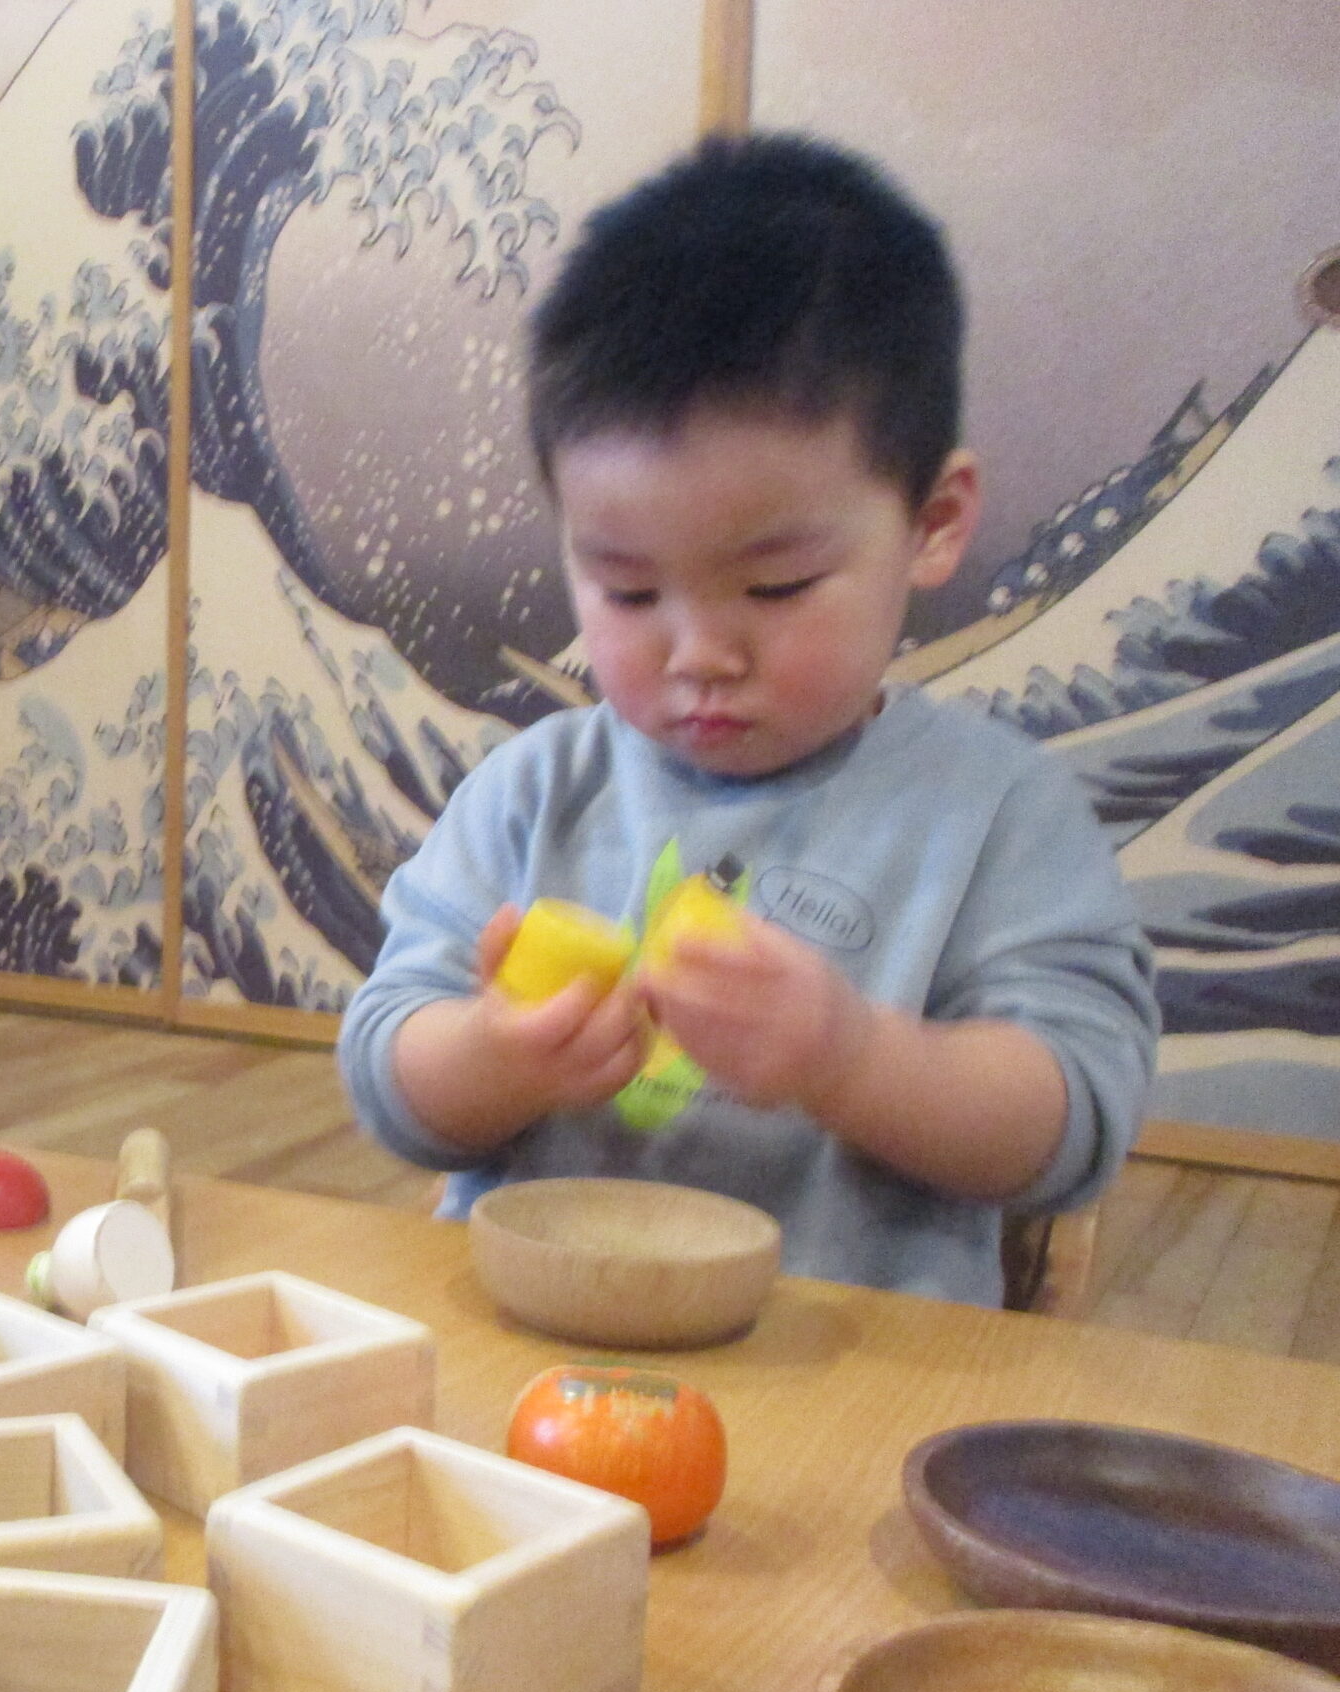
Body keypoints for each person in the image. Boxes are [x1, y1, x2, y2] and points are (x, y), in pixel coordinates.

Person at [337, 133, 1159, 1308]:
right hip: (538, 1364)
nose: (699, 654)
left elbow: (1074, 1122)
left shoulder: (997, 814)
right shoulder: (532, 792)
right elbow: (386, 1075)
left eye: (774, 588)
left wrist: (850, 1058)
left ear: (932, 520)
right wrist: (490, 1059)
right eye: (625, 591)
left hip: (859, 1386)